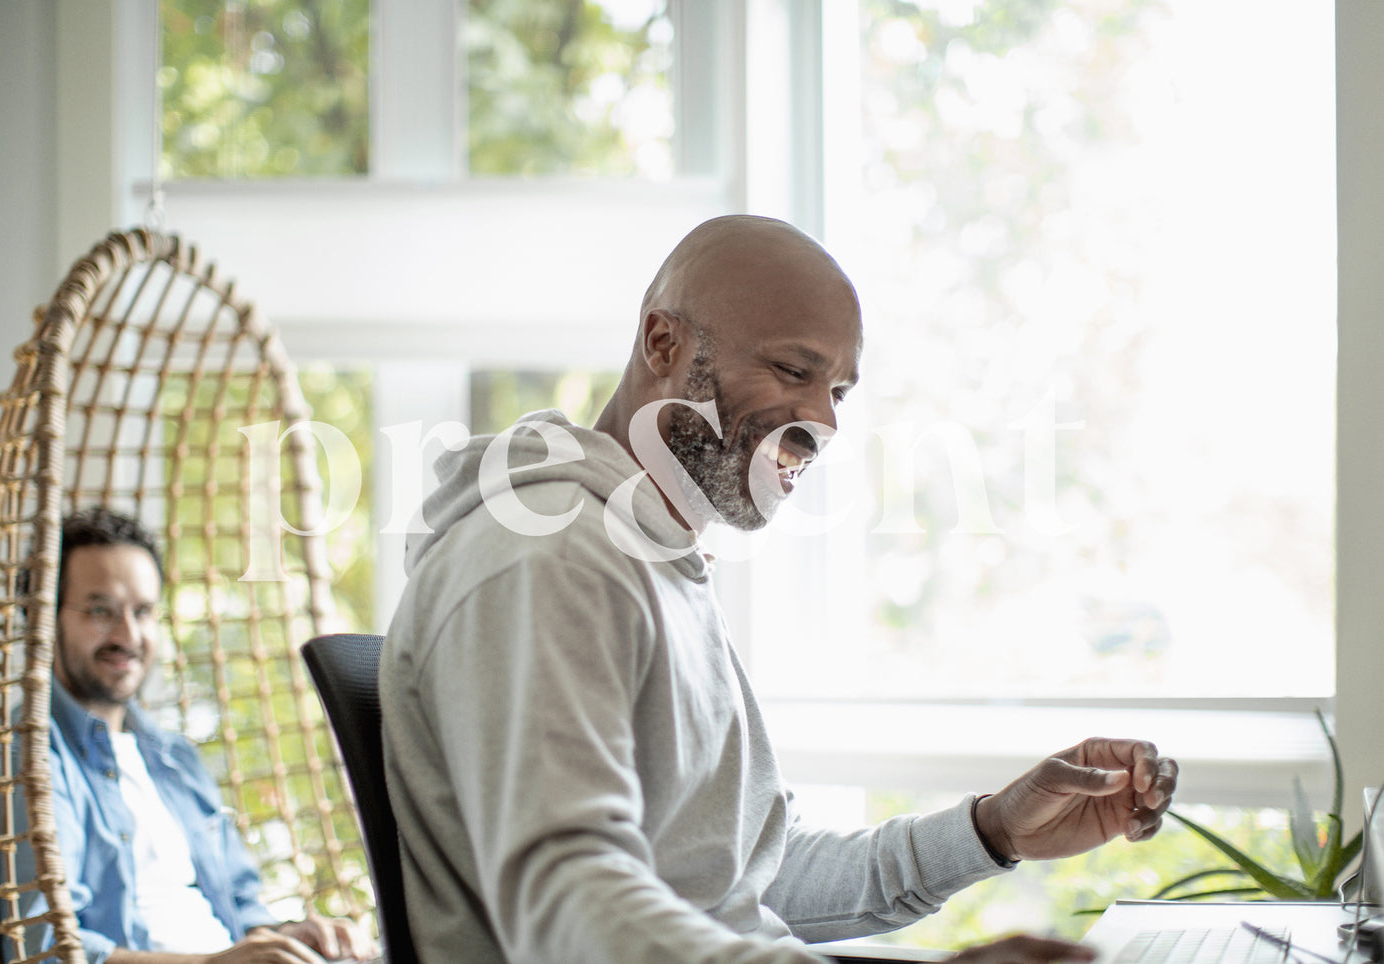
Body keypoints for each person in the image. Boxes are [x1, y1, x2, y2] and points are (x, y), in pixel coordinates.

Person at [379, 214, 1180, 963]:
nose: (821, 421)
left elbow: (745, 878)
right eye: (793, 369)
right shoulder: (546, 560)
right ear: (662, 342)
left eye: (837, 391)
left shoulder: (650, 559)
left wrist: (993, 830)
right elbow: (569, 905)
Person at [34, 506, 379, 964]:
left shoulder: (173, 757)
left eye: (143, 611)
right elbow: (42, 949)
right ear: (44, 619)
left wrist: (292, 938)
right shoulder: (30, 761)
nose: (128, 634)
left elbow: (240, 908)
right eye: (101, 611)